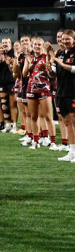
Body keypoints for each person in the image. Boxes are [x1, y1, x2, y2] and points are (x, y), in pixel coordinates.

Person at [53, 30, 75, 161]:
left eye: (68, 39)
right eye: (63, 39)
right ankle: (72, 152)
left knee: (73, 121)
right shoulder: (60, 53)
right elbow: (54, 73)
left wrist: (62, 64)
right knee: (67, 122)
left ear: (73, 39)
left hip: (73, 91)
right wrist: (48, 69)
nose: (65, 41)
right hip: (61, 92)